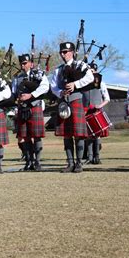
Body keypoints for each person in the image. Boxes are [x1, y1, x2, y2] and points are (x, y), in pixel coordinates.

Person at [50, 42, 94, 173]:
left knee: (78, 134)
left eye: (66, 52)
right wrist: (59, 92)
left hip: (76, 100)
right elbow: (53, 86)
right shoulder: (58, 69)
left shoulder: (81, 65)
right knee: (67, 134)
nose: (64, 54)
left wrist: (76, 84)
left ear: (73, 52)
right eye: (62, 52)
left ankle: (79, 163)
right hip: (63, 102)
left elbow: (90, 77)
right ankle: (70, 163)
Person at [11, 54, 50, 171]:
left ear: (31, 63)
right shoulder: (17, 78)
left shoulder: (38, 74)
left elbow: (45, 87)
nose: (23, 66)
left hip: (35, 107)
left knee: (36, 136)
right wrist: (17, 99)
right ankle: (28, 161)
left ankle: (37, 162)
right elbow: (14, 93)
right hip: (22, 108)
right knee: (26, 136)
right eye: (22, 64)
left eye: (25, 63)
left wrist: (31, 95)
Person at [83, 63, 110, 164]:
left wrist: (100, 105)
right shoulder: (83, 83)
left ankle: (97, 157)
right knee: (88, 135)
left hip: (96, 111)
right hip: (86, 111)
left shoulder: (101, 83)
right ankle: (89, 158)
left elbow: (107, 98)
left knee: (97, 135)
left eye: (92, 71)